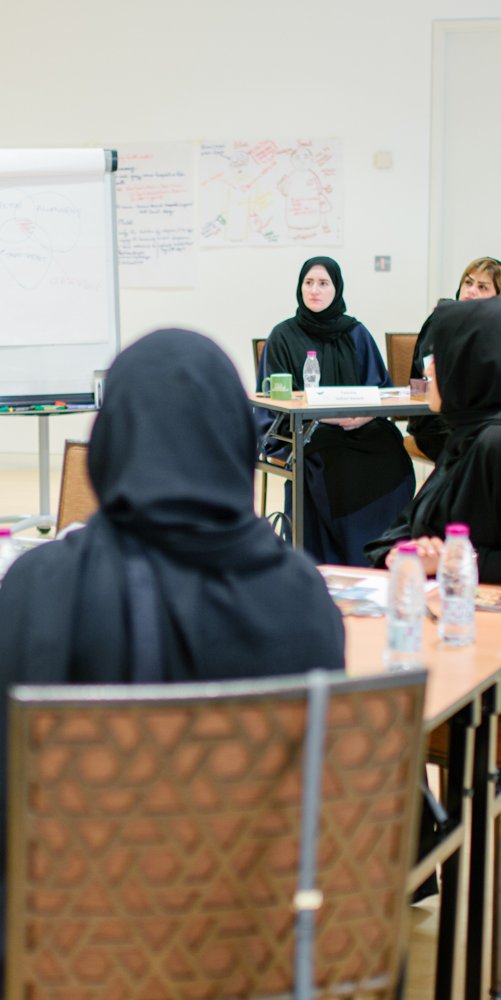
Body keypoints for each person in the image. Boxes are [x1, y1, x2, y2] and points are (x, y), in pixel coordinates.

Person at [0, 327, 345, 981]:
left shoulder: (37, 590)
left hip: (74, 961)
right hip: (253, 959)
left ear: (111, 442)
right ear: (236, 438)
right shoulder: (304, 599)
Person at [259, 256, 415, 566]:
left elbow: (380, 388)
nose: (314, 290)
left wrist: (363, 415)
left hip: (361, 425)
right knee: (334, 463)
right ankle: (339, 558)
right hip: (307, 430)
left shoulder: (356, 332)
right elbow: (277, 397)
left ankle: (382, 552)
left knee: (390, 451)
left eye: (323, 283)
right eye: (308, 282)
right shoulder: (282, 336)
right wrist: (330, 417)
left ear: (337, 288)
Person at [365, 297, 501, 583]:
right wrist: (398, 552)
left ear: (470, 366)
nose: (427, 371)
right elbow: (405, 530)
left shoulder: (493, 444)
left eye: (440, 358)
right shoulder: (465, 437)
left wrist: (457, 560)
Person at [408, 256, 501, 461]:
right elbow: (432, 369)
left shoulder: (494, 328)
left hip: (481, 418)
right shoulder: (445, 320)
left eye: (482, 287)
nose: (471, 290)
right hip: (437, 420)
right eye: (468, 282)